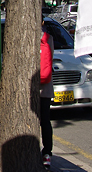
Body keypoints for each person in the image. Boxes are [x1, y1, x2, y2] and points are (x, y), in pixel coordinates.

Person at [40, 19, 55, 169]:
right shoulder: (49, 39)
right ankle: (47, 153)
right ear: (42, 21)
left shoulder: (27, 38)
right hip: (46, 87)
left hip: (30, 87)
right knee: (45, 121)